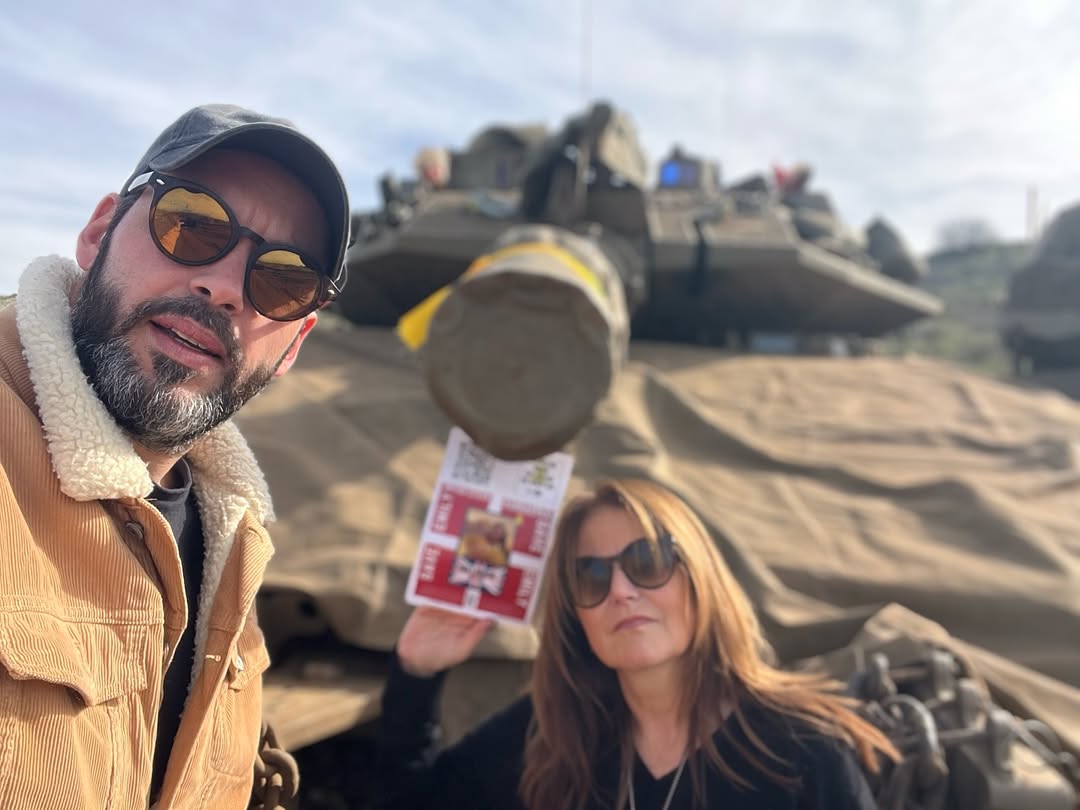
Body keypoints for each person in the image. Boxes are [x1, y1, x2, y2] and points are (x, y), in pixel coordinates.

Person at [0, 104, 350, 810]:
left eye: (284, 281)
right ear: (99, 231)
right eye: (191, 223)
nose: (224, 287)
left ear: (294, 345)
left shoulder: (230, 543)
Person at [376, 479, 899, 809]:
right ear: (576, 615)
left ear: (699, 579)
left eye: (647, 562)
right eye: (591, 577)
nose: (621, 591)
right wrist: (416, 674)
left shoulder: (802, 750)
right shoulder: (548, 735)